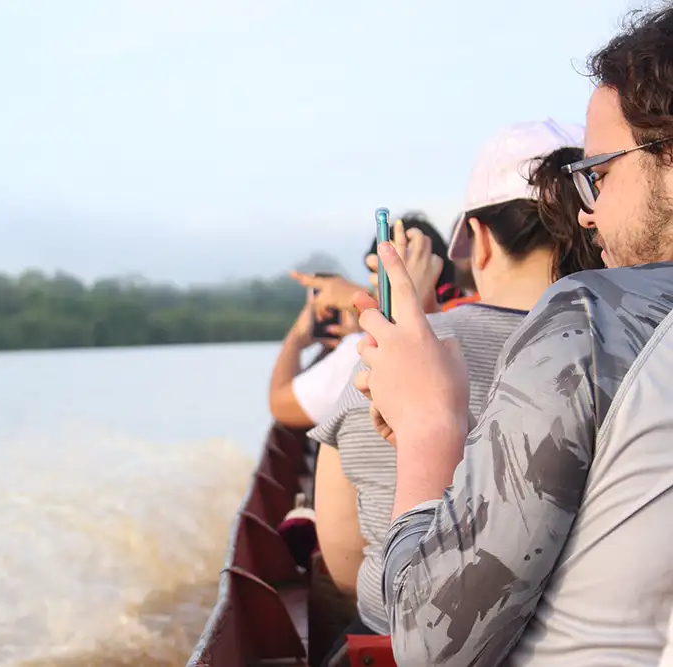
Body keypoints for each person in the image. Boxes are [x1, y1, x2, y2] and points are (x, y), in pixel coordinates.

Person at [356, 7, 673, 665]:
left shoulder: (591, 321)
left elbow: (429, 642)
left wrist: (428, 427)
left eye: (601, 174)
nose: (587, 214)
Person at [309, 122, 599, 662]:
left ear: (479, 240)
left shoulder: (384, 362)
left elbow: (344, 565)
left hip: (390, 641)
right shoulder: (625, 350)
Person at [268, 213, 456, 429]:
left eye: (374, 281)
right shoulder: (469, 328)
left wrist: (296, 338)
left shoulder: (361, 353)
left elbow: (280, 405)